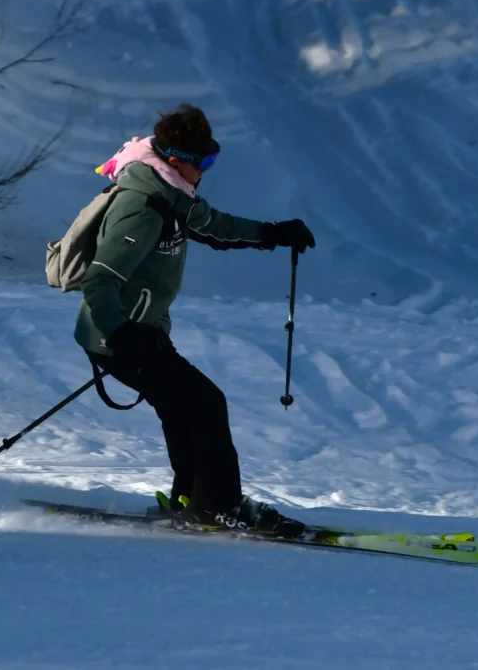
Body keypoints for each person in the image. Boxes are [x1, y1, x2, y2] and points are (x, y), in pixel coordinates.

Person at [74, 103, 316, 537]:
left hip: (143, 332)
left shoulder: (171, 194)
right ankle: (218, 507)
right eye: (201, 162)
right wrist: (122, 333)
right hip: (118, 334)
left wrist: (274, 233)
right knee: (205, 404)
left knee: (183, 407)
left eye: (212, 158)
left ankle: (193, 498)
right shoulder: (141, 205)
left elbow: (214, 225)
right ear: (172, 160)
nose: (206, 170)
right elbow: (100, 280)